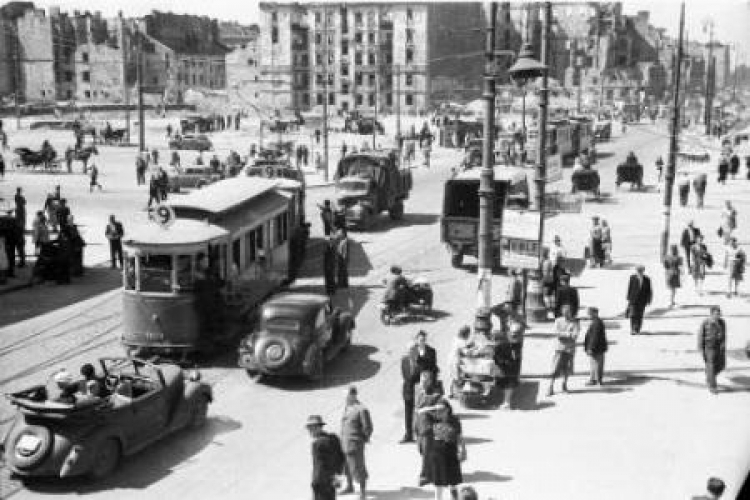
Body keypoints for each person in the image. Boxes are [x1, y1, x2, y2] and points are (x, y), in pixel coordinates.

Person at [420, 399, 465, 500]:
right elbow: (420, 411)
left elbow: (459, 436)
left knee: (453, 483)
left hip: (451, 454)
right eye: (437, 410)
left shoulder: (455, 421)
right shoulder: (433, 420)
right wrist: (433, 408)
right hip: (437, 455)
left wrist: (463, 450)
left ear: (448, 410)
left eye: (442, 410)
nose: (439, 412)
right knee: (438, 484)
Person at [340, 386, 373, 499]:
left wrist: (362, 439)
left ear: (353, 395)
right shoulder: (347, 407)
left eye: (347, 395)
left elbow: (368, 427)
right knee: (347, 466)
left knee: (358, 467)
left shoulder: (362, 409)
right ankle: (350, 486)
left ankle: (363, 492)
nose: (345, 397)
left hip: (355, 443)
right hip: (345, 442)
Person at [414, 369, 443, 486]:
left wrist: (426, 410)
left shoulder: (436, 395)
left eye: (425, 381)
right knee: (422, 451)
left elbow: (441, 408)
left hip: (429, 430)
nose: (422, 383)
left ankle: (425, 476)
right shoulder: (420, 393)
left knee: (426, 453)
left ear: (430, 381)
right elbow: (416, 411)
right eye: (421, 380)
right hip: (419, 428)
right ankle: (432, 470)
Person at [306, 415, 345, 500]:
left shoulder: (317, 444)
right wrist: (338, 476)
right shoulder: (334, 438)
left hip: (320, 483)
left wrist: (315, 483)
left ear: (318, 427)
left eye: (311, 428)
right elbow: (341, 458)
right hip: (332, 480)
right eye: (309, 428)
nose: (309, 431)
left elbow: (319, 465)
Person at [546, 304, 580, 396]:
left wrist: (564, 334)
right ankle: (550, 387)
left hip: (569, 349)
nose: (566, 314)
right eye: (564, 312)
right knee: (555, 368)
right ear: (562, 312)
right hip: (559, 348)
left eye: (568, 312)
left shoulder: (575, 322)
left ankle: (564, 385)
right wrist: (568, 334)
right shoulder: (558, 321)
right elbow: (556, 333)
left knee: (567, 368)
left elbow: (575, 335)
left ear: (571, 312)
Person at [697, 306, 727, 394]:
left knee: (722, 365)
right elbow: (700, 335)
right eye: (716, 314)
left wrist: (723, 346)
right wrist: (700, 348)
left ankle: (709, 376)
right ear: (711, 314)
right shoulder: (705, 323)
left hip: (719, 347)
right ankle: (712, 386)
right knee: (711, 366)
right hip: (709, 347)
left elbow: (724, 335)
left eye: (719, 314)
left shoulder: (722, 322)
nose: (718, 315)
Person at [447, 326, 474, 399]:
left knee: (451, 376)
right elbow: (466, 352)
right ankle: (458, 393)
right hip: (456, 360)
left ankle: (450, 392)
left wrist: (468, 345)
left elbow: (460, 347)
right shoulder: (462, 341)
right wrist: (473, 349)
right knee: (457, 377)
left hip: (450, 358)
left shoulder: (456, 338)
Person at [584, 306, 608, 386]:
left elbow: (595, 337)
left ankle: (597, 380)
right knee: (595, 364)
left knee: (597, 364)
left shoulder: (597, 323)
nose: (588, 315)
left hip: (597, 348)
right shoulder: (596, 321)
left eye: (589, 313)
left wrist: (591, 348)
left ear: (594, 313)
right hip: (598, 347)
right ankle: (594, 379)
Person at [626, 265, 652, 335]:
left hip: (642, 300)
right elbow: (630, 287)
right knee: (633, 315)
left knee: (640, 315)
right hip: (633, 299)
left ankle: (637, 329)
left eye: (641, 271)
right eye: (638, 271)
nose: (639, 272)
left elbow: (649, 290)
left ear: (643, 271)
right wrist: (628, 297)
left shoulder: (647, 279)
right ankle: (632, 329)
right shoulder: (632, 277)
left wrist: (649, 299)